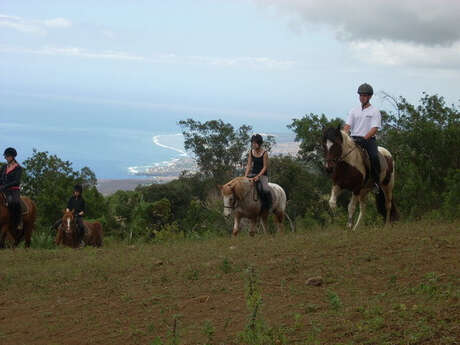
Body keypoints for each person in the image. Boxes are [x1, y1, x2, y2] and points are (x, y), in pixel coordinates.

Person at [343, 83, 381, 190]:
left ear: (369, 97)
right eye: (361, 95)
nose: (362, 98)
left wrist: (364, 138)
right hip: (354, 139)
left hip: (368, 140)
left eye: (364, 95)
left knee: (374, 157)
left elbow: (374, 128)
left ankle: (375, 182)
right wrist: (344, 137)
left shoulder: (374, 111)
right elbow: (347, 126)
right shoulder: (353, 110)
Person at [244, 134, 272, 212]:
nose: (253, 144)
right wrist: (245, 176)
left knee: (265, 189)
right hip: (253, 173)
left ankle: (266, 205)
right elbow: (249, 165)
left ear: (259, 144)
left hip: (263, 175)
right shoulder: (251, 152)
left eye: (255, 143)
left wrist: (258, 176)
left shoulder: (264, 153)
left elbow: (265, 167)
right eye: (252, 143)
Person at [0, 147, 23, 230]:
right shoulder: (4, 167)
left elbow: (16, 181)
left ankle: (18, 221)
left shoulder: (18, 168)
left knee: (15, 202)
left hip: (13, 189)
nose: (6, 158)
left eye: (7, 156)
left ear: (12, 157)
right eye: (5, 156)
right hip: (3, 189)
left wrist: (5, 186)